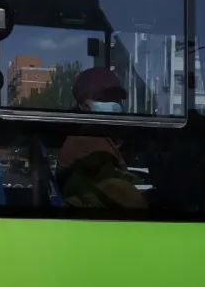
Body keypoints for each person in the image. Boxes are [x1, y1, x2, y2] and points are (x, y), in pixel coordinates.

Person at [57, 67, 146, 209]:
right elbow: (123, 195)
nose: (115, 105)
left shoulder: (99, 137)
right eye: (106, 99)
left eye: (117, 99)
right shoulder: (87, 142)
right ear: (85, 105)